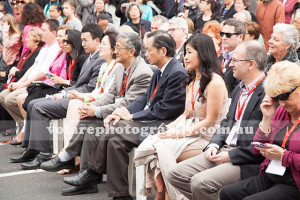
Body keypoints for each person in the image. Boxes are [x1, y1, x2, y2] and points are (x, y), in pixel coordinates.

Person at [62, 31, 187, 199]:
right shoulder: (160, 70)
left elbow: (165, 110)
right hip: (151, 120)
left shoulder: (177, 72)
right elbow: (145, 98)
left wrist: (131, 116)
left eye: (149, 50)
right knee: (115, 141)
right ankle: (120, 195)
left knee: (116, 125)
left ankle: (92, 172)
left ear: (162, 51)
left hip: (164, 125)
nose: (145, 53)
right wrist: (125, 111)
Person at [41, 32, 154, 196]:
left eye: (119, 48)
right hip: (117, 113)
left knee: (94, 121)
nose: (115, 51)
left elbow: (128, 104)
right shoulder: (120, 67)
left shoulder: (142, 73)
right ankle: (80, 168)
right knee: (89, 118)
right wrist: (91, 106)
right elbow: (110, 96)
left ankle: (82, 170)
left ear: (131, 51)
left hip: (130, 117)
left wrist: (97, 110)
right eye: (115, 47)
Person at [167, 40, 267, 200]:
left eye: (235, 60)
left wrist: (231, 156)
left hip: (247, 159)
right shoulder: (239, 89)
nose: (230, 65)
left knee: (200, 183)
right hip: (224, 148)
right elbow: (227, 122)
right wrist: (214, 144)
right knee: (174, 174)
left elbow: (264, 143)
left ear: (251, 64)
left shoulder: (268, 93)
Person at [134, 33, 228, 200]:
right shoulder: (192, 80)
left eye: (189, 52)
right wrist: (168, 129)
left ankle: (168, 195)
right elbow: (185, 114)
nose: (185, 57)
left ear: (203, 53)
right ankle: (163, 193)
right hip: (192, 133)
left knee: (160, 149)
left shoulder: (215, 82)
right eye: (184, 52)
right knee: (156, 141)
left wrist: (178, 134)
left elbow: (211, 121)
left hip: (211, 138)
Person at [10, 24, 105, 170]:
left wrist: (65, 93)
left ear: (97, 40)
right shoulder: (90, 58)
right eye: (82, 40)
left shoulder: (98, 59)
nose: (83, 43)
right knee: (32, 103)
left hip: (80, 99)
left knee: (38, 107)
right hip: (72, 94)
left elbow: (90, 88)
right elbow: (80, 84)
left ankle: (42, 152)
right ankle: (32, 148)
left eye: (86, 40)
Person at [219, 61, 300, 200]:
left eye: (284, 97)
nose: (281, 103)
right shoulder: (281, 111)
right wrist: (267, 118)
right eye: (276, 98)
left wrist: (284, 156)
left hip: (295, 182)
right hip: (273, 174)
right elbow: (257, 149)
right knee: (227, 193)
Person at [0, 19, 61, 130]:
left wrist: (23, 84)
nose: (41, 32)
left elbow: (43, 73)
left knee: (12, 99)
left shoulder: (56, 48)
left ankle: (29, 129)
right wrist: (20, 82)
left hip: (41, 84)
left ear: (53, 33)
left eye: (44, 30)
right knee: (3, 95)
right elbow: (33, 68)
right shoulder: (45, 48)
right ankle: (26, 127)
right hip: (31, 82)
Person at [0, 27, 43, 139]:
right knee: (2, 94)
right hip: (21, 80)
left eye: (28, 37)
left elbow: (31, 71)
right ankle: (23, 125)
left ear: (37, 40)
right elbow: (24, 68)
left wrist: (17, 74)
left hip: (35, 84)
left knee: (10, 98)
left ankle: (27, 128)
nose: (25, 40)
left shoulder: (38, 52)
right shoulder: (28, 52)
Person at [218, 19, 246, 96]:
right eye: (222, 34)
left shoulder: (244, 60)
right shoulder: (219, 58)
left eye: (228, 35)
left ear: (240, 37)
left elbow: (239, 91)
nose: (223, 38)